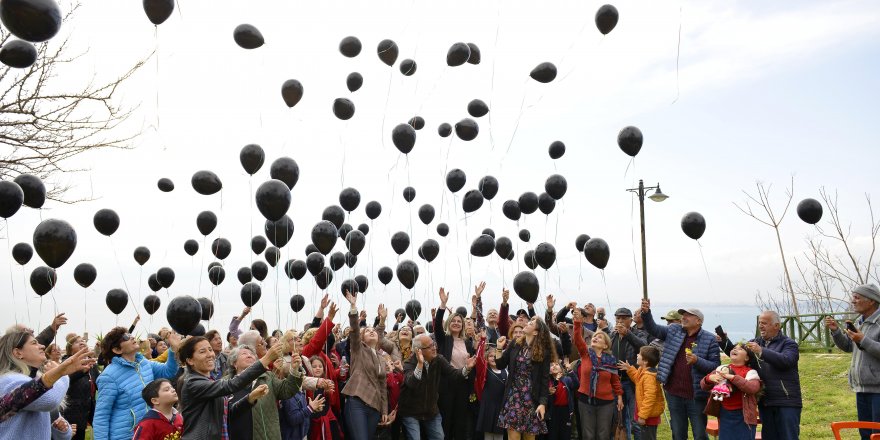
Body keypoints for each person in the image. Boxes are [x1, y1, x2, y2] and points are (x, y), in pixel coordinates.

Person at [640, 299, 720, 440]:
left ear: (698, 321)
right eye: (683, 315)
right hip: (674, 393)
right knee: (678, 433)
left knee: (700, 434)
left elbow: (715, 366)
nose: (684, 317)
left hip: (696, 395)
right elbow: (654, 329)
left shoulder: (709, 339)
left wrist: (697, 360)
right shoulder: (674, 330)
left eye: (688, 315)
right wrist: (646, 313)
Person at [177, 334, 281, 439]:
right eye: (202, 351)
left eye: (210, 349)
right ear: (190, 360)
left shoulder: (209, 382)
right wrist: (266, 359)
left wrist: (250, 398)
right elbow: (231, 385)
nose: (210, 354)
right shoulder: (192, 383)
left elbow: (227, 416)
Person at [0, 331, 93, 439]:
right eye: (34, 343)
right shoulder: (9, 380)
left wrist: (62, 429)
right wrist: (61, 374)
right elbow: (50, 400)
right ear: (18, 353)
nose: (42, 346)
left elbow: (63, 434)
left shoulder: (35, 379)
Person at [92, 327, 181, 440]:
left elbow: (168, 371)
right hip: (125, 436)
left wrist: (173, 348)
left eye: (130, 334)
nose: (132, 337)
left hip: (148, 432)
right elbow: (101, 416)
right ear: (117, 350)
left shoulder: (143, 363)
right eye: (126, 337)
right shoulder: (108, 376)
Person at [828, 283, 880, 440]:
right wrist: (836, 331)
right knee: (865, 434)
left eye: (857, 298)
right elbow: (849, 347)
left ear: (871, 301)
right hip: (861, 389)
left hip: (878, 391)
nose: (853, 301)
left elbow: (864, 343)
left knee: (877, 434)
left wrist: (863, 340)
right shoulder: (859, 322)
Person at [340, 292, 396, 440]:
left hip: (375, 407)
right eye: (368, 331)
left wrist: (384, 411)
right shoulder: (358, 349)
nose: (371, 331)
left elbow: (383, 386)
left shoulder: (382, 358)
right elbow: (355, 329)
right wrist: (353, 307)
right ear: (362, 337)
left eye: (374, 331)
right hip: (357, 403)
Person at [398, 333, 475, 440]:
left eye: (433, 344)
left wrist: (467, 367)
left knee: (439, 437)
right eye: (429, 347)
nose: (434, 348)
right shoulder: (409, 363)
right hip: (410, 411)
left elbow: (453, 374)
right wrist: (420, 364)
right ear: (418, 350)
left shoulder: (438, 359)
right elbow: (412, 383)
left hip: (431, 410)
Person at [495, 316, 554, 440]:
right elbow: (500, 365)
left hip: (531, 399)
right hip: (513, 397)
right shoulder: (514, 344)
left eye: (531, 323)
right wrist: (499, 348)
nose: (527, 323)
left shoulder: (544, 351)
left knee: (529, 438)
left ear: (535, 332)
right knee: (513, 437)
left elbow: (544, 380)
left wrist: (543, 403)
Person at [745, 311, 801, 440]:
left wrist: (761, 351)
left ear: (776, 326)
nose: (760, 326)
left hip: (787, 401)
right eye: (759, 323)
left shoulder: (789, 343)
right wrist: (723, 341)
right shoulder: (754, 342)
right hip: (766, 401)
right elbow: (739, 356)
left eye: (764, 323)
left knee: (789, 436)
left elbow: (786, 361)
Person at [572, 308, 623, 440]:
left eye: (599, 337)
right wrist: (577, 322)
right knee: (588, 434)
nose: (595, 338)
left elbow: (615, 381)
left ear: (605, 345)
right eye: (594, 336)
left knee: (603, 434)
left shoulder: (611, 360)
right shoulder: (586, 354)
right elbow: (577, 338)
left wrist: (619, 396)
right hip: (585, 399)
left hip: (606, 402)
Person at [434, 287, 477, 440]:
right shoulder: (443, 339)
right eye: (453, 320)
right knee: (446, 421)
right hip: (446, 385)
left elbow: (473, 364)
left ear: (463, 326)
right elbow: (437, 324)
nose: (457, 323)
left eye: (459, 321)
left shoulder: (468, 342)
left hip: (464, 385)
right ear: (449, 323)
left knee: (460, 422)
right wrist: (442, 305)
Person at [700, 343, 762, 439]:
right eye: (734, 348)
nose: (735, 349)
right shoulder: (721, 368)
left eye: (740, 349)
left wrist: (733, 377)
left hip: (744, 416)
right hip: (725, 414)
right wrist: (709, 378)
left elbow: (752, 388)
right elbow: (703, 386)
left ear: (746, 358)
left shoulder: (750, 372)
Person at [609, 307, 647, 440]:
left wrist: (627, 334)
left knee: (634, 419)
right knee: (619, 418)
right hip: (615, 382)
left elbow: (644, 347)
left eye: (624, 318)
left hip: (632, 381)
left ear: (631, 320)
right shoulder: (612, 335)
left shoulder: (638, 332)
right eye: (618, 318)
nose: (620, 321)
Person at [619, 346, 665, 440]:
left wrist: (643, 416)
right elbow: (637, 379)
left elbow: (650, 398)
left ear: (645, 361)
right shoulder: (642, 370)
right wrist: (630, 369)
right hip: (646, 414)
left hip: (648, 416)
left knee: (648, 437)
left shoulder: (649, 377)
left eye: (639, 354)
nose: (637, 355)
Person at [62, 334, 98, 440]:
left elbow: (99, 382)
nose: (82, 342)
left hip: (86, 411)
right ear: (70, 348)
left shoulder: (91, 363)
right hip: (70, 413)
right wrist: (81, 372)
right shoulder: (66, 362)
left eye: (83, 340)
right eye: (77, 342)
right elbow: (64, 381)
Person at [474, 331, 508, 440]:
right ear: (487, 358)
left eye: (496, 356)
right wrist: (482, 341)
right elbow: (478, 358)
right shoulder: (484, 370)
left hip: (501, 407)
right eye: (490, 356)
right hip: (487, 406)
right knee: (488, 436)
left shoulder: (506, 371)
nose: (493, 358)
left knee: (499, 435)